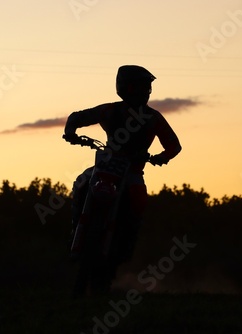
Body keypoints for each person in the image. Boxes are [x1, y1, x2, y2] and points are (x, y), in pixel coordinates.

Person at [63, 65, 182, 295]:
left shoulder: (153, 118)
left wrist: (160, 158)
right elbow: (77, 117)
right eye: (142, 87)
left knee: (137, 200)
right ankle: (76, 226)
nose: (147, 92)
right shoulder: (110, 111)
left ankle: (125, 245)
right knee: (81, 183)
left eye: (148, 87)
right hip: (106, 167)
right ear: (126, 87)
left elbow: (174, 145)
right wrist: (71, 132)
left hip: (133, 172)